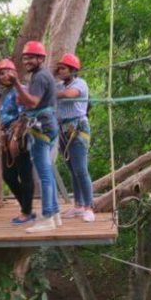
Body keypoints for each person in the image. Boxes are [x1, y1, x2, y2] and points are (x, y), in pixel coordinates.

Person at [12, 41, 61, 233]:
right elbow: (32, 100)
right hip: (47, 124)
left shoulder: (40, 76)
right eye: (25, 58)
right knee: (46, 171)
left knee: (44, 175)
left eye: (31, 57)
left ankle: (48, 217)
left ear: (41, 58)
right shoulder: (40, 75)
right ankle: (54, 215)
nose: (27, 61)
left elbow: (32, 103)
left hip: (42, 126)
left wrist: (16, 83)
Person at [56, 54, 95, 222]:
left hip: (77, 128)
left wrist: (50, 91)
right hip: (63, 130)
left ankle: (89, 207)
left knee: (81, 170)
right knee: (72, 170)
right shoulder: (58, 85)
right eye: (59, 68)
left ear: (73, 71)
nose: (60, 71)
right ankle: (78, 206)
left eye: (63, 68)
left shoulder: (80, 83)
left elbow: (70, 94)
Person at [0, 59, 35, 225]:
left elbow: (25, 115)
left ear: (15, 73)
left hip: (20, 136)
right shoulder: (4, 93)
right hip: (7, 135)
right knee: (8, 175)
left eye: (7, 71)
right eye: (1, 73)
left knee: (25, 174)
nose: (4, 75)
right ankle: (26, 207)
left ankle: (26, 212)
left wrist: (15, 138)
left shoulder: (21, 90)